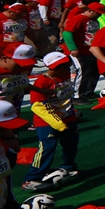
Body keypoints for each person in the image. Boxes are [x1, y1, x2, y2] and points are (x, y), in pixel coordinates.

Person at [22, 52, 80, 191]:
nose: (66, 68)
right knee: (46, 149)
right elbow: (38, 106)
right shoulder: (42, 82)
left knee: (71, 144)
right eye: (61, 66)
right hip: (47, 122)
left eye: (66, 64)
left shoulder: (65, 75)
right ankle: (32, 179)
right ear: (51, 68)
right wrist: (58, 123)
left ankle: (68, 167)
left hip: (68, 117)